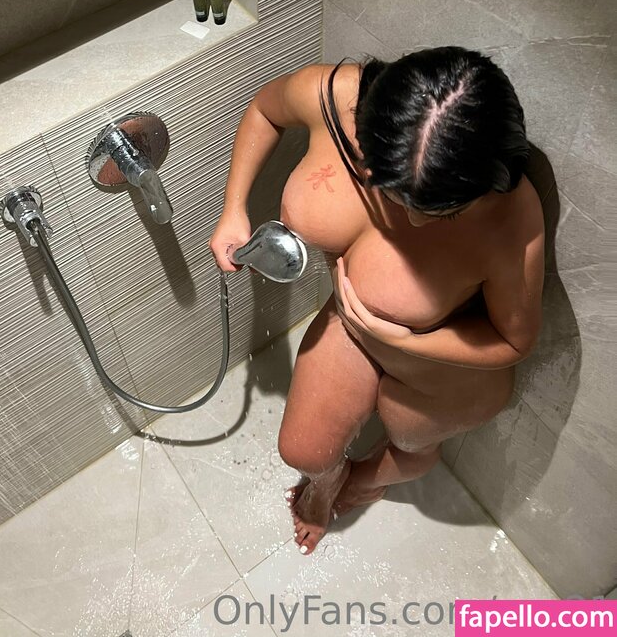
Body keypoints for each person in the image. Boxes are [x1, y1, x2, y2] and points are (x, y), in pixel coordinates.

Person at [208, 47, 545, 555]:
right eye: (393, 193)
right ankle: (328, 483)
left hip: (441, 373)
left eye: (444, 212)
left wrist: (405, 340)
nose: (414, 221)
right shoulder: (333, 95)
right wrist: (233, 209)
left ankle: (371, 480)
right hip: (354, 328)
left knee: (408, 444)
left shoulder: (510, 215)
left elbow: (515, 341)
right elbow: (264, 109)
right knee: (304, 452)